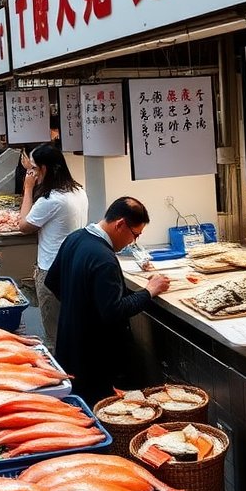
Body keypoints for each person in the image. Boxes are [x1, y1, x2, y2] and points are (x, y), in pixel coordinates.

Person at [45, 197, 170, 405]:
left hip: (69, 346)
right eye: (135, 235)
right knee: (97, 411)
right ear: (120, 224)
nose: (133, 242)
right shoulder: (103, 258)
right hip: (94, 358)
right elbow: (113, 310)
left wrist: (79, 306)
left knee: (76, 405)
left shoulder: (75, 238)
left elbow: (52, 281)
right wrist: (148, 291)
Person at [16, 142, 89, 347]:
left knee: (54, 333)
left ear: (45, 169)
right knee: (73, 327)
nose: (32, 174)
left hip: (51, 272)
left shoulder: (51, 200)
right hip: (73, 268)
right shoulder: (78, 191)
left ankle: (63, 373)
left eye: (34, 169)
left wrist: (27, 189)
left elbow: (23, 225)